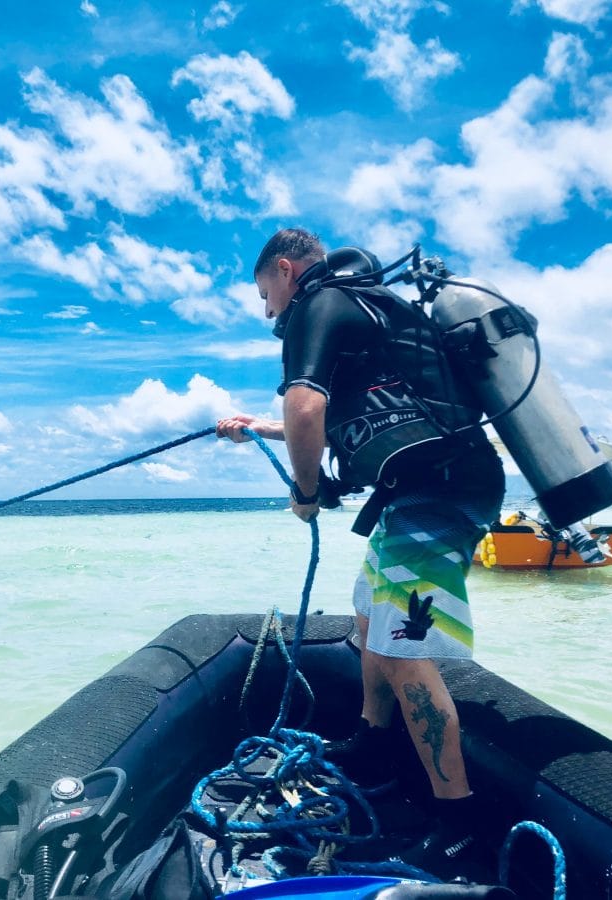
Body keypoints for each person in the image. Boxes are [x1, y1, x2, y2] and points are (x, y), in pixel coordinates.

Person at [216, 227, 506, 878]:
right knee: (370, 618)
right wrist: (258, 428)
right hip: (421, 491)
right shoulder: (363, 306)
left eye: (265, 295)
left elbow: (306, 406)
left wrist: (305, 491)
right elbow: (343, 416)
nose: (268, 310)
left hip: (441, 493)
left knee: (404, 653)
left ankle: (460, 829)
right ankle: (374, 745)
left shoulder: (317, 305)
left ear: (286, 270)